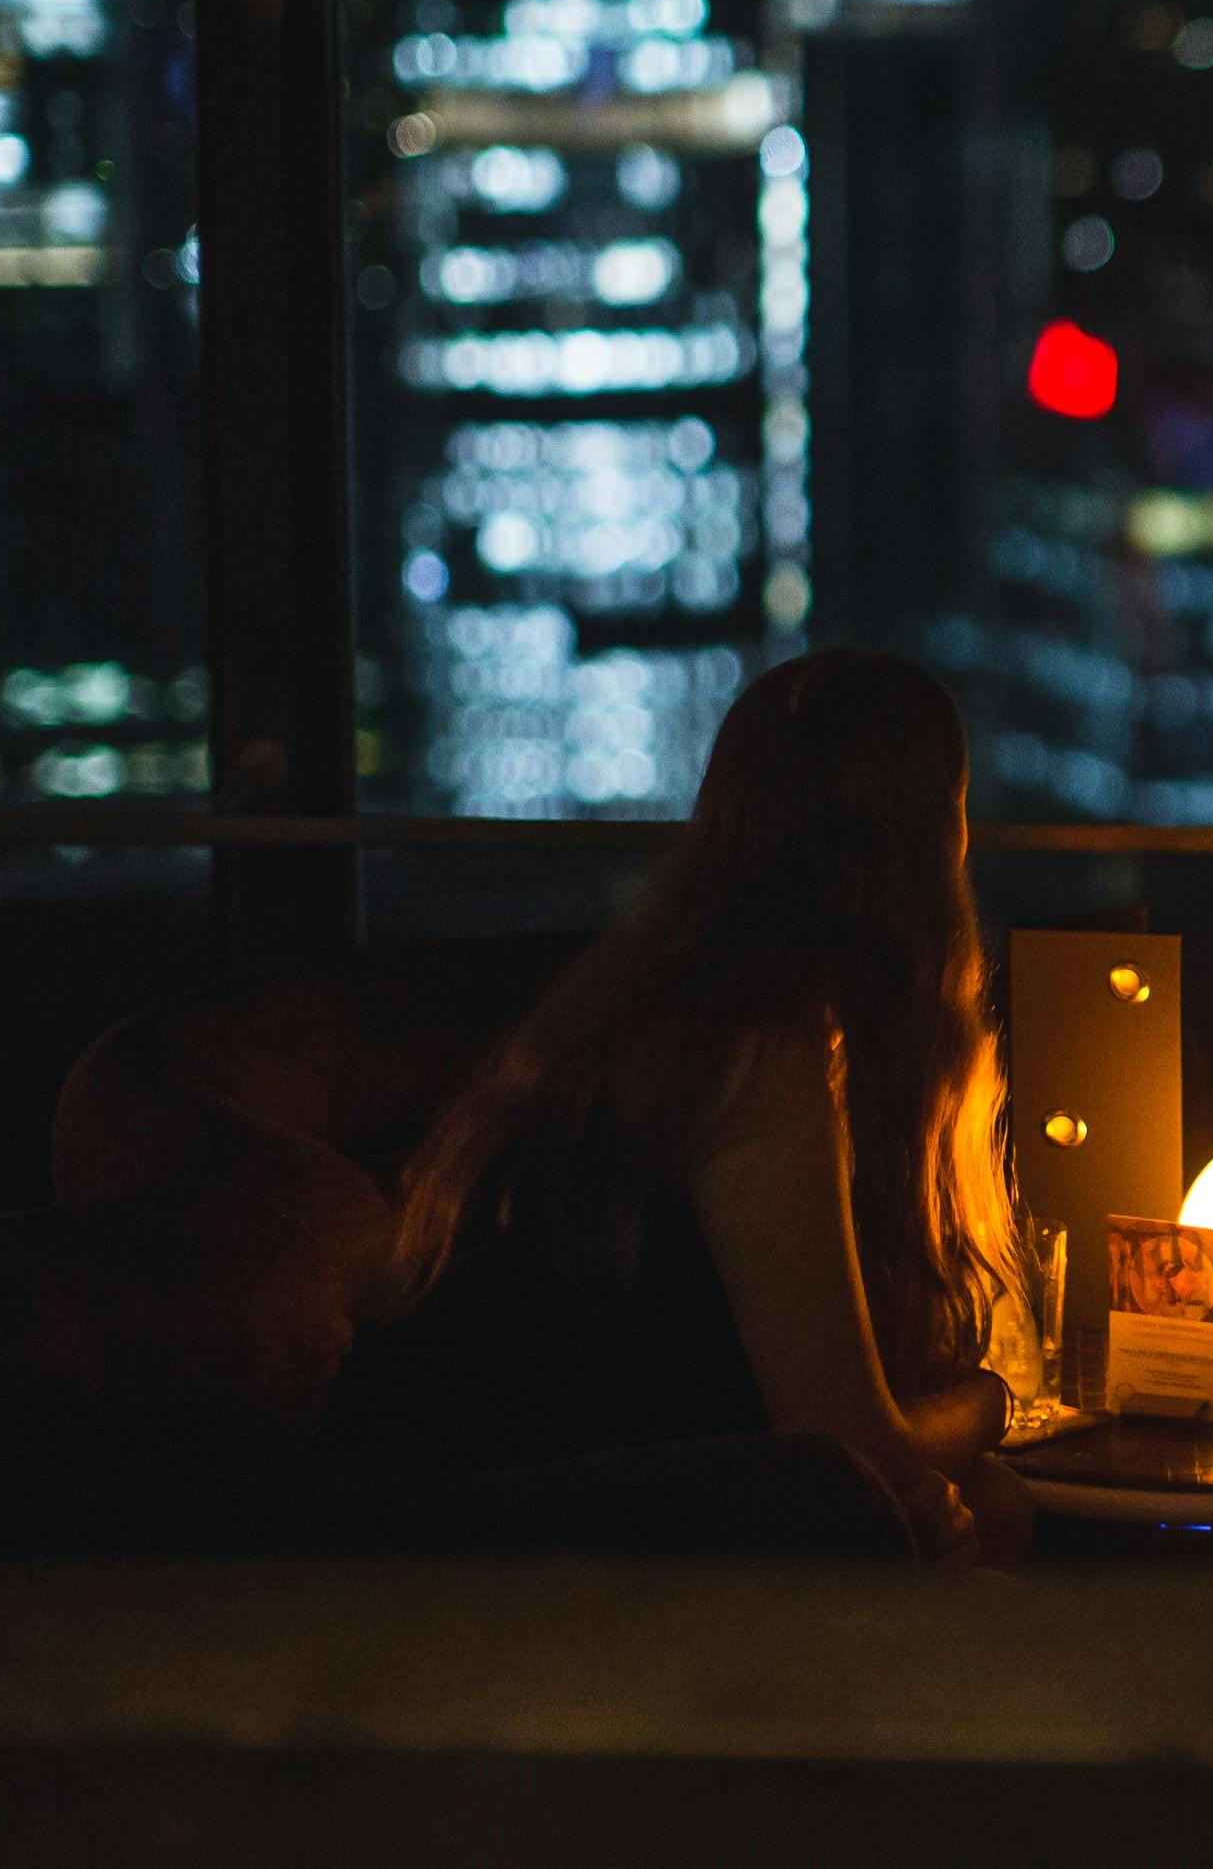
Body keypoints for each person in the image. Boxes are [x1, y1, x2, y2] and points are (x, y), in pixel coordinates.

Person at [322, 650, 1025, 1558]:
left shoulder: (647, 1003)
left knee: (987, 1504)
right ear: (936, 840)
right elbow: (845, 1441)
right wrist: (996, 1401)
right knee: (993, 1509)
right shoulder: (761, 1047)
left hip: (461, 1487)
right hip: (502, 1532)